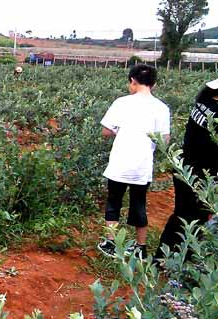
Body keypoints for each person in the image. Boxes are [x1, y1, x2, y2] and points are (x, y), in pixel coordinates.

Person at [97, 64, 170, 259]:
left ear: (133, 81)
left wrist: (119, 132)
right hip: (142, 165)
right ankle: (141, 248)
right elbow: (164, 140)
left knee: (114, 201)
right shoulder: (162, 108)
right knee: (139, 204)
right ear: (153, 83)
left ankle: (111, 244)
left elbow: (105, 131)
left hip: (120, 162)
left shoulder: (122, 103)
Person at [154, 80, 218, 262]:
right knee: (195, 219)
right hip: (200, 176)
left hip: (186, 168)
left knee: (181, 216)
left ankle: (161, 257)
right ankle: (186, 262)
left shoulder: (203, 104)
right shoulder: (215, 113)